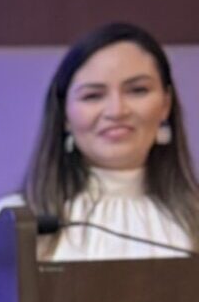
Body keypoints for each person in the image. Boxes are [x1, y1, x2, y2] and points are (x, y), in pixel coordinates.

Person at [22, 21, 199, 260]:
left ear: (165, 105)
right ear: (64, 114)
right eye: (93, 95)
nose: (116, 111)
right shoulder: (17, 224)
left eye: (137, 90)